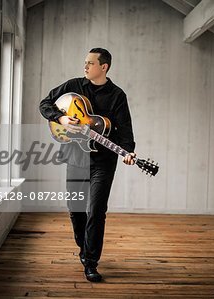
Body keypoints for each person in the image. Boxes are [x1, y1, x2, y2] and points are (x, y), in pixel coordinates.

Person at [39, 48, 136, 282]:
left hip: (103, 160)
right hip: (75, 156)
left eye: (90, 63)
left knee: (97, 210)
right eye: (85, 63)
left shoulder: (116, 95)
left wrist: (128, 151)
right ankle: (84, 247)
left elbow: (124, 127)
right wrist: (61, 118)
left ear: (104, 67)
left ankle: (91, 263)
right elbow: (45, 104)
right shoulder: (74, 85)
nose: (85, 67)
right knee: (76, 209)